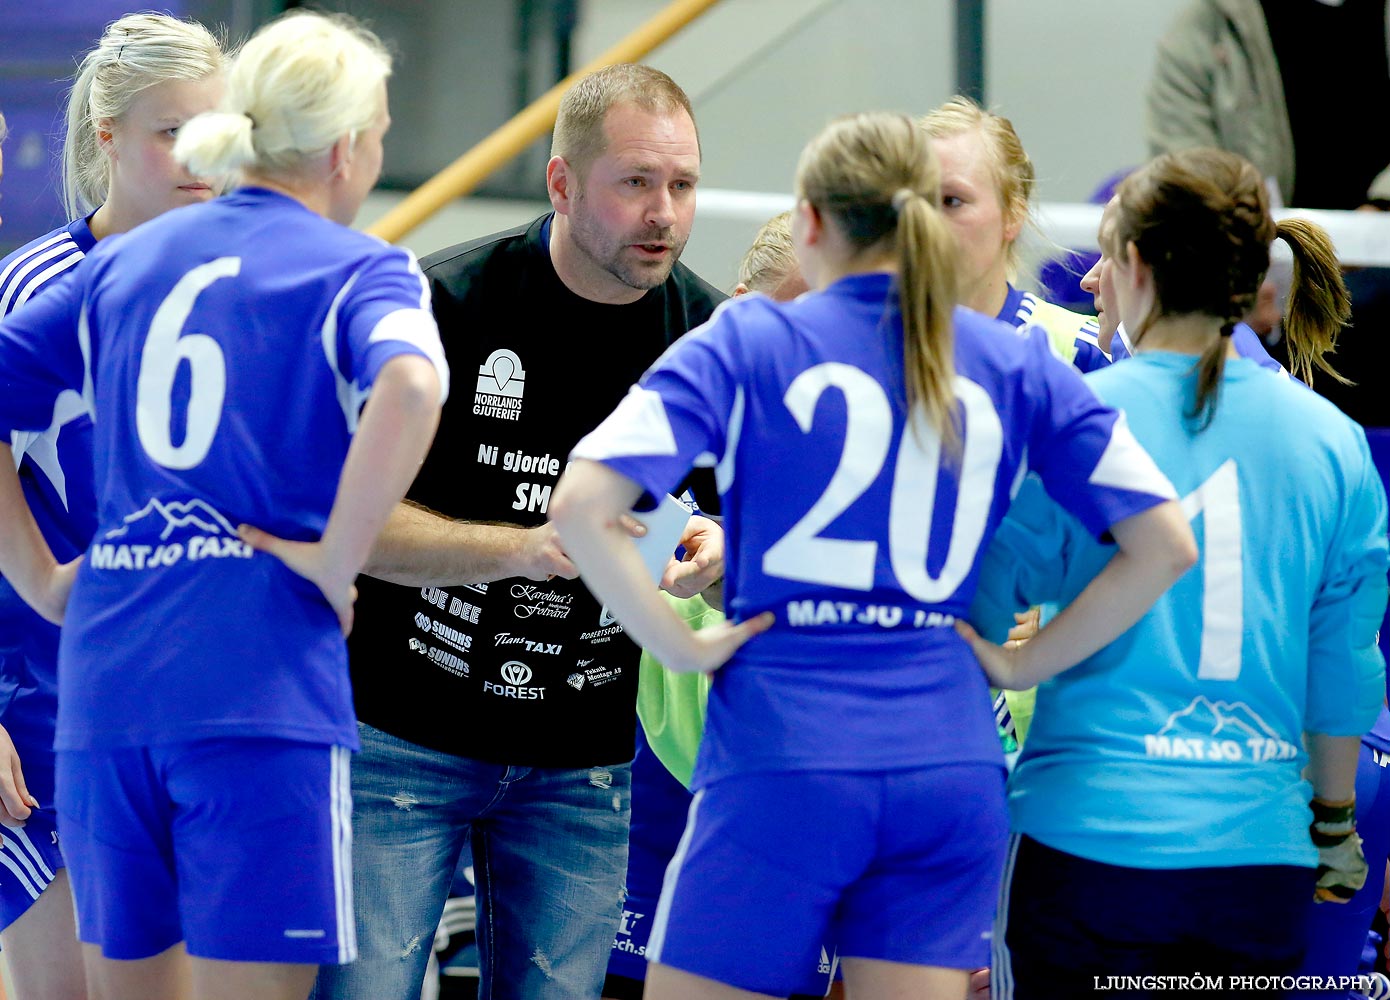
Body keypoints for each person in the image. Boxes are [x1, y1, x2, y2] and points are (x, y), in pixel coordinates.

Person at [550, 110, 1194, 1000]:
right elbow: (1165, 544)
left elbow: (581, 503)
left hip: (784, 751)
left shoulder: (748, 340)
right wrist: (1021, 662)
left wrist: (683, 646)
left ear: (810, 225)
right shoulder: (1017, 360)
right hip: (949, 761)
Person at [0, 10, 447, 1000]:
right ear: (344, 145)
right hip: (238, 689)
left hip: (113, 690)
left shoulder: (119, 273)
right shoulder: (343, 268)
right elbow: (410, 393)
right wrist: (335, 559)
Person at [317, 63, 724, 1000]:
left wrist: (710, 550)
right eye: (634, 183)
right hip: (399, 738)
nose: (663, 212)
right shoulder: (443, 306)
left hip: (582, 761)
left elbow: (742, 538)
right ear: (561, 183)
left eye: (683, 185)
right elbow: (354, 529)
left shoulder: (713, 339)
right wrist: (531, 547)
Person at [966, 147, 1387, 997]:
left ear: (1135, 266)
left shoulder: (1081, 419)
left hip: (1088, 845)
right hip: (1259, 859)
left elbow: (975, 603)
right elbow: (1346, 669)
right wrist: (1335, 827)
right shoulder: (1332, 441)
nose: (1091, 288)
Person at [0, 14, 225, 1000]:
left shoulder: (245, 287)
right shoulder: (40, 292)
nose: (198, 159)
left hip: (199, 712)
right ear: (105, 135)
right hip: (44, 713)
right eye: (171, 130)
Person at [604, 211, 838, 1000]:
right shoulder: (670, 405)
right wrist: (705, 544)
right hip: (657, 787)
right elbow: (594, 518)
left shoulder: (865, 441)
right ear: (739, 308)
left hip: (806, 796)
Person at [920, 96, 1107, 372]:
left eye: (953, 201)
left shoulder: (1083, 351)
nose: (926, 221)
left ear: (1013, 215)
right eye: (915, 201)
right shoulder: (864, 341)